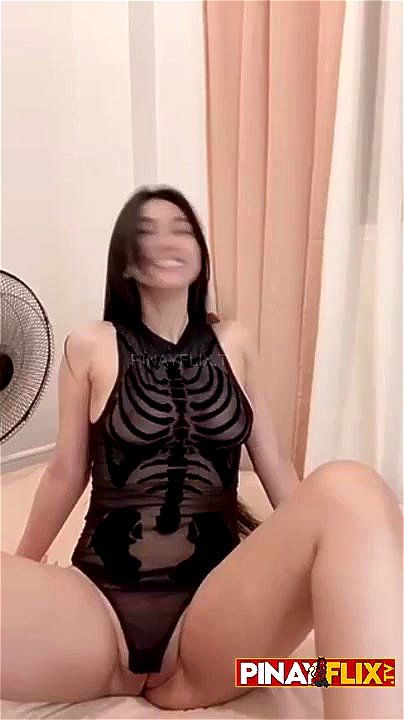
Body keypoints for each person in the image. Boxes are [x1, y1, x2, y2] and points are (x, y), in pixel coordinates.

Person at [2, 186, 402, 719]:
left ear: (200, 252)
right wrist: (22, 573)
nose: (168, 241)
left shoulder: (235, 342)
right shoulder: (90, 344)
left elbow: (275, 464)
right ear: (126, 262)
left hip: (216, 632)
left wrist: (312, 545)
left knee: (351, 489)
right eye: (147, 232)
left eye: (182, 229)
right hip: (96, 615)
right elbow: (64, 473)